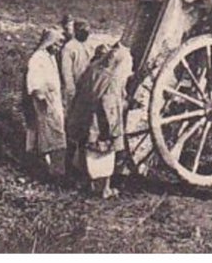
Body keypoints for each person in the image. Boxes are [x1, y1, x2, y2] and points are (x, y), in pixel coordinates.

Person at [66, 43, 133, 198]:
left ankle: (84, 182)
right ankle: (103, 189)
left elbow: (81, 87)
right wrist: (114, 128)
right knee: (104, 155)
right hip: (99, 122)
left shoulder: (93, 69)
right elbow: (108, 104)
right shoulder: (113, 79)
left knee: (84, 150)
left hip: (84, 116)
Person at [23, 29, 67, 179]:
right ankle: (56, 172)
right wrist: (41, 96)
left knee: (53, 134)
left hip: (53, 101)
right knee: (54, 135)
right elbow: (34, 80)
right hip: (45, 103)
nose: (59, 47)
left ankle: (50, 168)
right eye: (57, 43)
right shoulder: (38, 58)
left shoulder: (50, 57)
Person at [59, 21, 91, 110]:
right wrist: (70, 87)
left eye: (87, 32)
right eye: (83, 32)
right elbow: (66, 70)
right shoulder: (69, 47)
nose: (86, 34)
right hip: (75, 84)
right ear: (76, 31)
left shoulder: (88, 45)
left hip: (86, 84)